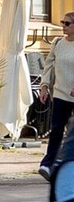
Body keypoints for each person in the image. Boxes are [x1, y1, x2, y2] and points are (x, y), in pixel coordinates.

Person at [38, 14, 74, 179]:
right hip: (60, 93)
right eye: (62, 23)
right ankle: (47, 165)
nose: (63, 26)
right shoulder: (58, 43)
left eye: (67, 23)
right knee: (57, 130)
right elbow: (49, 65)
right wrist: (44, 85)